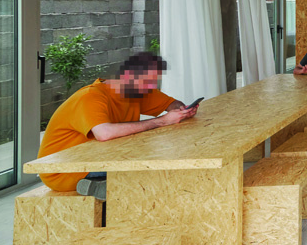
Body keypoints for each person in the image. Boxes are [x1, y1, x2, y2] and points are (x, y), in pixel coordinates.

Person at [37, 52, 198, 200]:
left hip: (96, 159)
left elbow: (171, 103)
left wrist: (180, 110)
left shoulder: (138, 91)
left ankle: (102, 186)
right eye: (147, 81)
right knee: (149, 168)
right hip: (62, 171)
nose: (151, 86)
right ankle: (106, 187)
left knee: (150, 158)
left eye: (153, 81)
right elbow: (104, 133)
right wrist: (163, 121)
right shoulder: (91, 97)